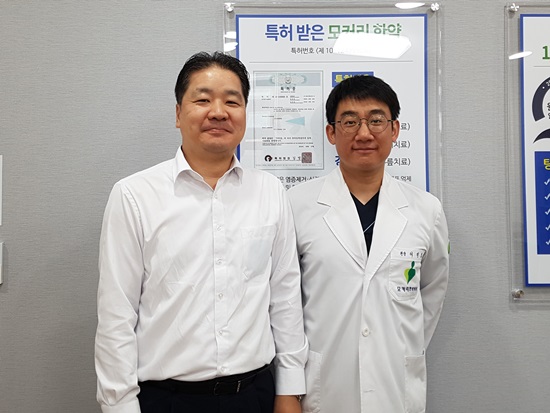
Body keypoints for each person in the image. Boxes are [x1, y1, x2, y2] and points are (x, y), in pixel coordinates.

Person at [95, 51, 307, 413]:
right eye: (203, 100)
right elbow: (117, 314)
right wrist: (120, 405)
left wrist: (290, 390)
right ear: (179, 113)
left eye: (232, 101)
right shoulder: (134, 195)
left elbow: (285, 297)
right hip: (167, 400)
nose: (219, 112)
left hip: (254, 394)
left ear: (245, 113)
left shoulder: (270, 191)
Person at [288, 75, 449, 413]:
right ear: (331, 133)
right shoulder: (296, 205)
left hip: (395, 381)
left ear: (395, 130)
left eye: (376, 120)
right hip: (325, 384)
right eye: (349, 122)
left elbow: (432, 291)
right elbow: (285, 301)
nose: (363, 134)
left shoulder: (426, 209)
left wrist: (402, 343)